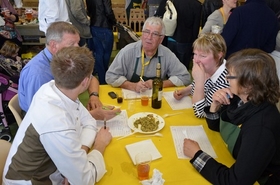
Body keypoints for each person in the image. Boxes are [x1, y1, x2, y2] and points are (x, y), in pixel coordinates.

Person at [3, 46, 113, 185]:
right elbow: (84, 180)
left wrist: (79, 158)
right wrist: (100, 145)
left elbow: (89, 121)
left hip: (48, 168)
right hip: (33, 181)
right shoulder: (57, 121)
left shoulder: (54, 88)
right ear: (85, 82)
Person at [183, 49, 280, 184]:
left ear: (248, 84)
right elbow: (217, 127)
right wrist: (214, 106)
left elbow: (235, 181)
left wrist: (197, 155)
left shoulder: (261, 128)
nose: (226, 78)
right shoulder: (241, 99)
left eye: (231, 76)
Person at [18, 21, 119, 119]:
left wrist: (94, 95)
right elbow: (42, 116)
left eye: (78, 42)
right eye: (71, 44)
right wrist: (91, 116)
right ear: (54, 45)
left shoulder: (67, 59)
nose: (77, 48)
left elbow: (91, 79)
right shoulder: (38, 74)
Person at [105, 16, 191, 93]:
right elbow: (110, 76)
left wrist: (159, 84)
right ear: (142, 34)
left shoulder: (167, 54)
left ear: (161, 39)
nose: (149, 38)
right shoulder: (127, 51)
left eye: (155, 34)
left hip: (155, 99)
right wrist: (132, 86)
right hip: (131, 98)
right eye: (146, 32)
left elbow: (185, 77)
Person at [173, 33, 229, 118]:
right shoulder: (210, 66)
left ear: (218, 56)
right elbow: (200, 88)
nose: (196, 60)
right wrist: (185, 91)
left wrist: (199, 81)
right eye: (195, 54)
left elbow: (201, 113)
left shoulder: (226, 80)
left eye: (203, 56)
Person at [155, 0, 202, 69]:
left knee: (169, 66)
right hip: (185, 41)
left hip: (169, 38)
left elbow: (158, 17)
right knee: (182, 68)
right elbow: (195, 27)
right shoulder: (196, 5)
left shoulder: (169, 1)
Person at [86, 0, 116, 85]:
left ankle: (102, 78)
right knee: (106, 53)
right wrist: (114, 21)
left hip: (94, 25)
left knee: (98, 53)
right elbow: (108, 11)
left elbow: (89, 11)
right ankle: (105, 78)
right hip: (105, 26)